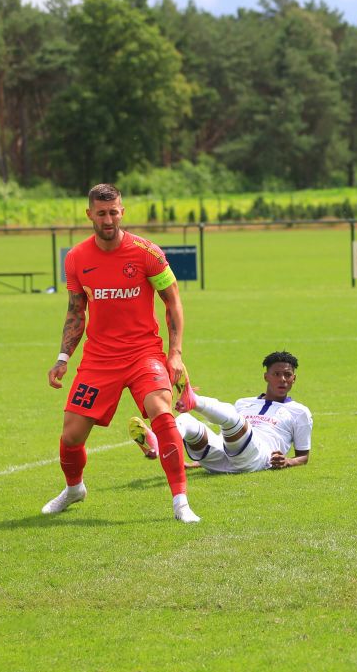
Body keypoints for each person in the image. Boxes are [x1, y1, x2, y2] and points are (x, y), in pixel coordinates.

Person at [43, 183, 199, 523]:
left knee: (161, 412)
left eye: (114, 212)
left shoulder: (148, 253)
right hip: (99, 360)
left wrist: (175, 353)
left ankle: (180, 501)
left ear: (122, 212)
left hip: (144, 353)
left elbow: (172, 302)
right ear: (89, 215)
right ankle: (74, 489)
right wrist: (63, 358)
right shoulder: (76, 258)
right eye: (101, 213)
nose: (108, 219)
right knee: (71, 436)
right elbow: (75, 311)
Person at [132, 351, 312, 473]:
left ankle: (194, 400)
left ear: (294, 379)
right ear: (266, 376)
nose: (283, 379)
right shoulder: (244, 402)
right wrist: (195, 464)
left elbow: (303, 456)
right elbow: (226, 438)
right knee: (186, 419)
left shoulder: (300, 412)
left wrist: (288, 461)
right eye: (277, 374)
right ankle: (158, 443)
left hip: (258, 457)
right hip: (221, 460)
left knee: (234, 419)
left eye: (288, 375)